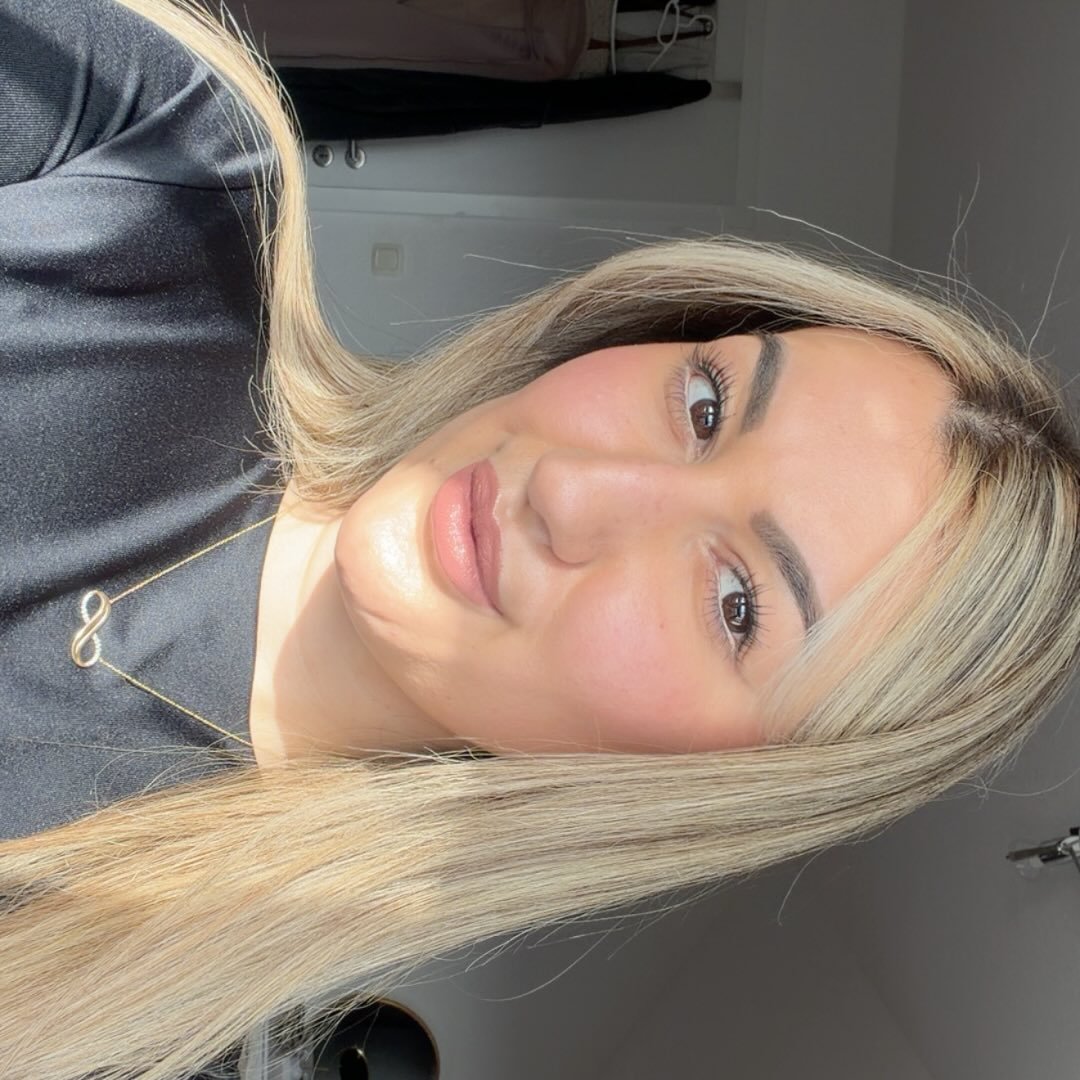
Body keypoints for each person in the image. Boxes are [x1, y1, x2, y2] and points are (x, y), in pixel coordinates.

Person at [2, 1, 1079, 1078]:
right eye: (705, 405)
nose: (574, 489)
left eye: (737, 604)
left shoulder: (115, 1034)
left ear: (716, 785)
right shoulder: (160, 168)